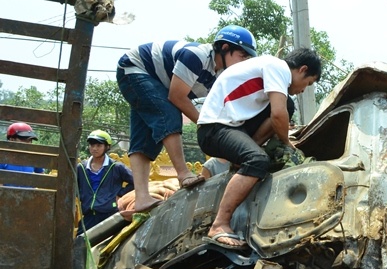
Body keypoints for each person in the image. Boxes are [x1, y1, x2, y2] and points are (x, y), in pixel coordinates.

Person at [116, 25, 257, 213]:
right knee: (169, 114)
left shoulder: (221, 75)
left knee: (144, 138)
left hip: (156, 83)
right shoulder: (196, 56)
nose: (244, 61)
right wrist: (205, 125)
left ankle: (141, 198)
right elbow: (176, 97)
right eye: (242, 55)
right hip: (135, 69)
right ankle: (183, 173)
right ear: (224, 48)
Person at [196, 48, 321, 249]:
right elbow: (278, 115)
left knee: (287, 105)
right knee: (257, 160)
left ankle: (246, 155)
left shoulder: (270, 70)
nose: (304, 89)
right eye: (308, 83)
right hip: (215, 128)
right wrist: (287, 144)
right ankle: (219, 224)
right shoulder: (277, 67)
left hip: (233, 125)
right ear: (302, 69)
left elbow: (282, 110)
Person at [76, 129, 134, 231]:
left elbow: (136, 181)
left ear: (107, 147)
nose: (94, 148)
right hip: (89, 216)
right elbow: (72, 187)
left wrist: (120, 193)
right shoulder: (81, 168)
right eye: (92, 145)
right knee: (80, 244)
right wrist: (82, 195)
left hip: (111, 216)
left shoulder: (116, 167)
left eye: (99, 145)